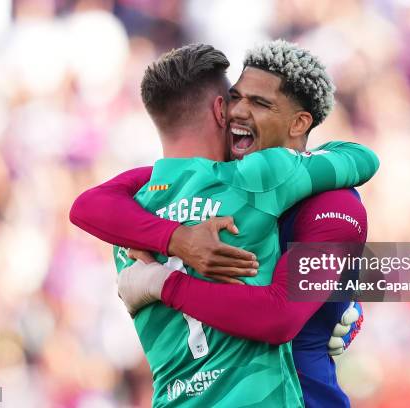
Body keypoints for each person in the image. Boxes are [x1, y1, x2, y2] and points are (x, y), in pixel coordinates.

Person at [70, 41, 379, 407]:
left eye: (260, 103)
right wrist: (178, 239)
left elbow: (282, 314)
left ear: (299, 123)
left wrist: (160, 282)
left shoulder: (334, 204)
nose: (238, 112)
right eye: (235, 97)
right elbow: (89, 204)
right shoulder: (220, 183)